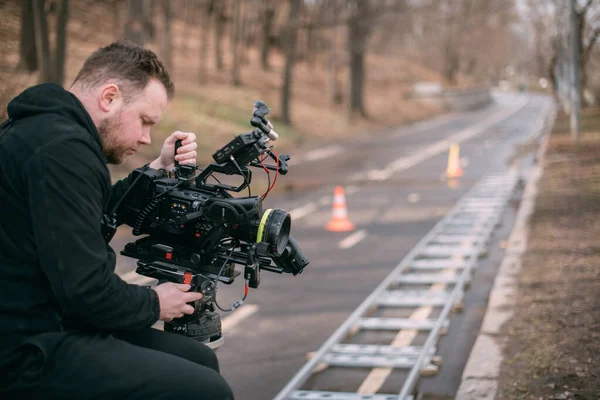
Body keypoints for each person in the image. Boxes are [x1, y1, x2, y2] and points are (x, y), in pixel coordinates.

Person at [0, 40, 234, 399]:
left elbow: (90, 214)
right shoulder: (63, 151)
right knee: (207, 390)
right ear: (109, 97)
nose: (145, 137)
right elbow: (87, 291)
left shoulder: (48, 133)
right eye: (144, 121)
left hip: (51, 320)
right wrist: (155, 303)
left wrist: (158, 169)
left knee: (199, 359)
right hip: (25, 347)